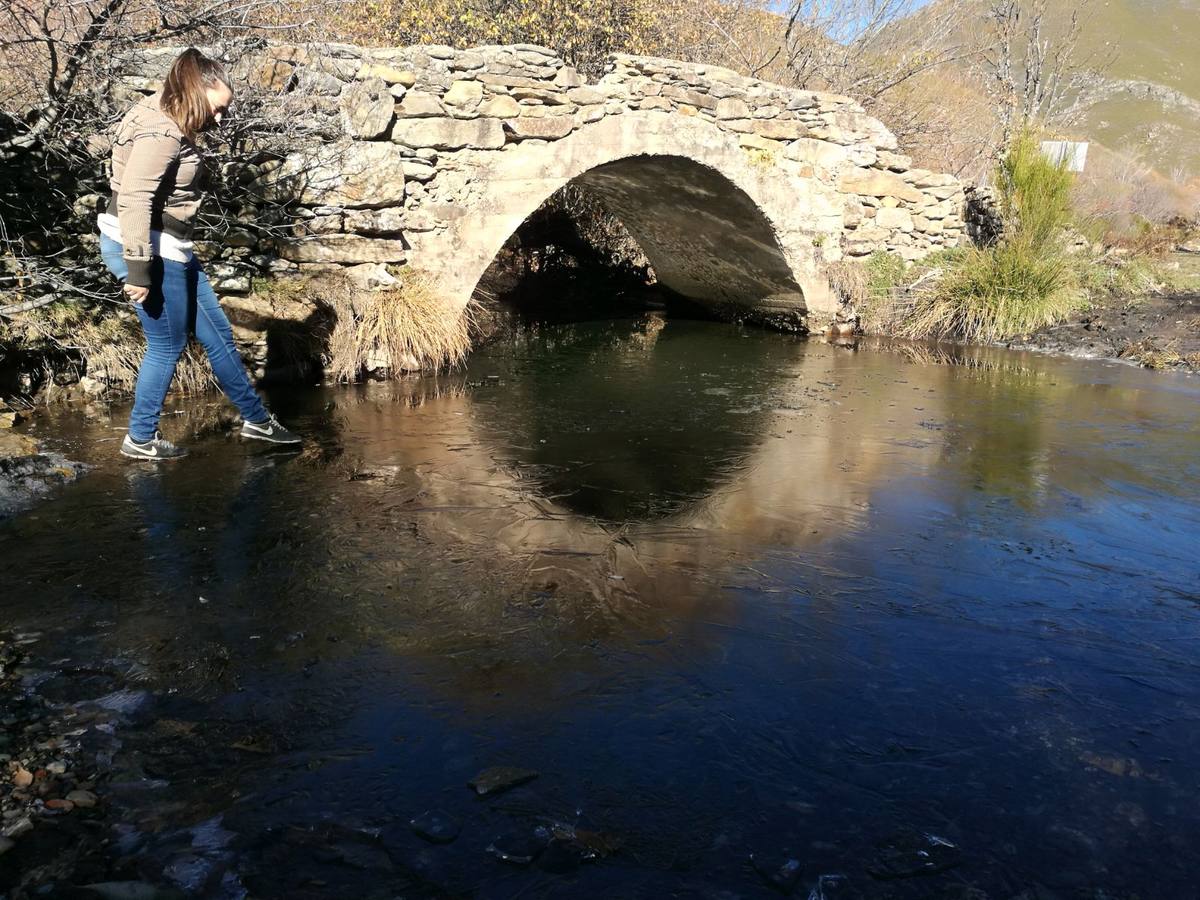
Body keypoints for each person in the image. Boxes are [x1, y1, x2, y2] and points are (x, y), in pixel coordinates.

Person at [98, 47, 300, 460]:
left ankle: (257, 421)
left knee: (218, 336)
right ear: (196, 90)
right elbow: (135, 198)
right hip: (149, 251)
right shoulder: (161, 133)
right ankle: (140, 438)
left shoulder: (161, 111)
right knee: (166, 345)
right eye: (217, 108)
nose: (220, 119)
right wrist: (138, 271)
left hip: (171, 248)